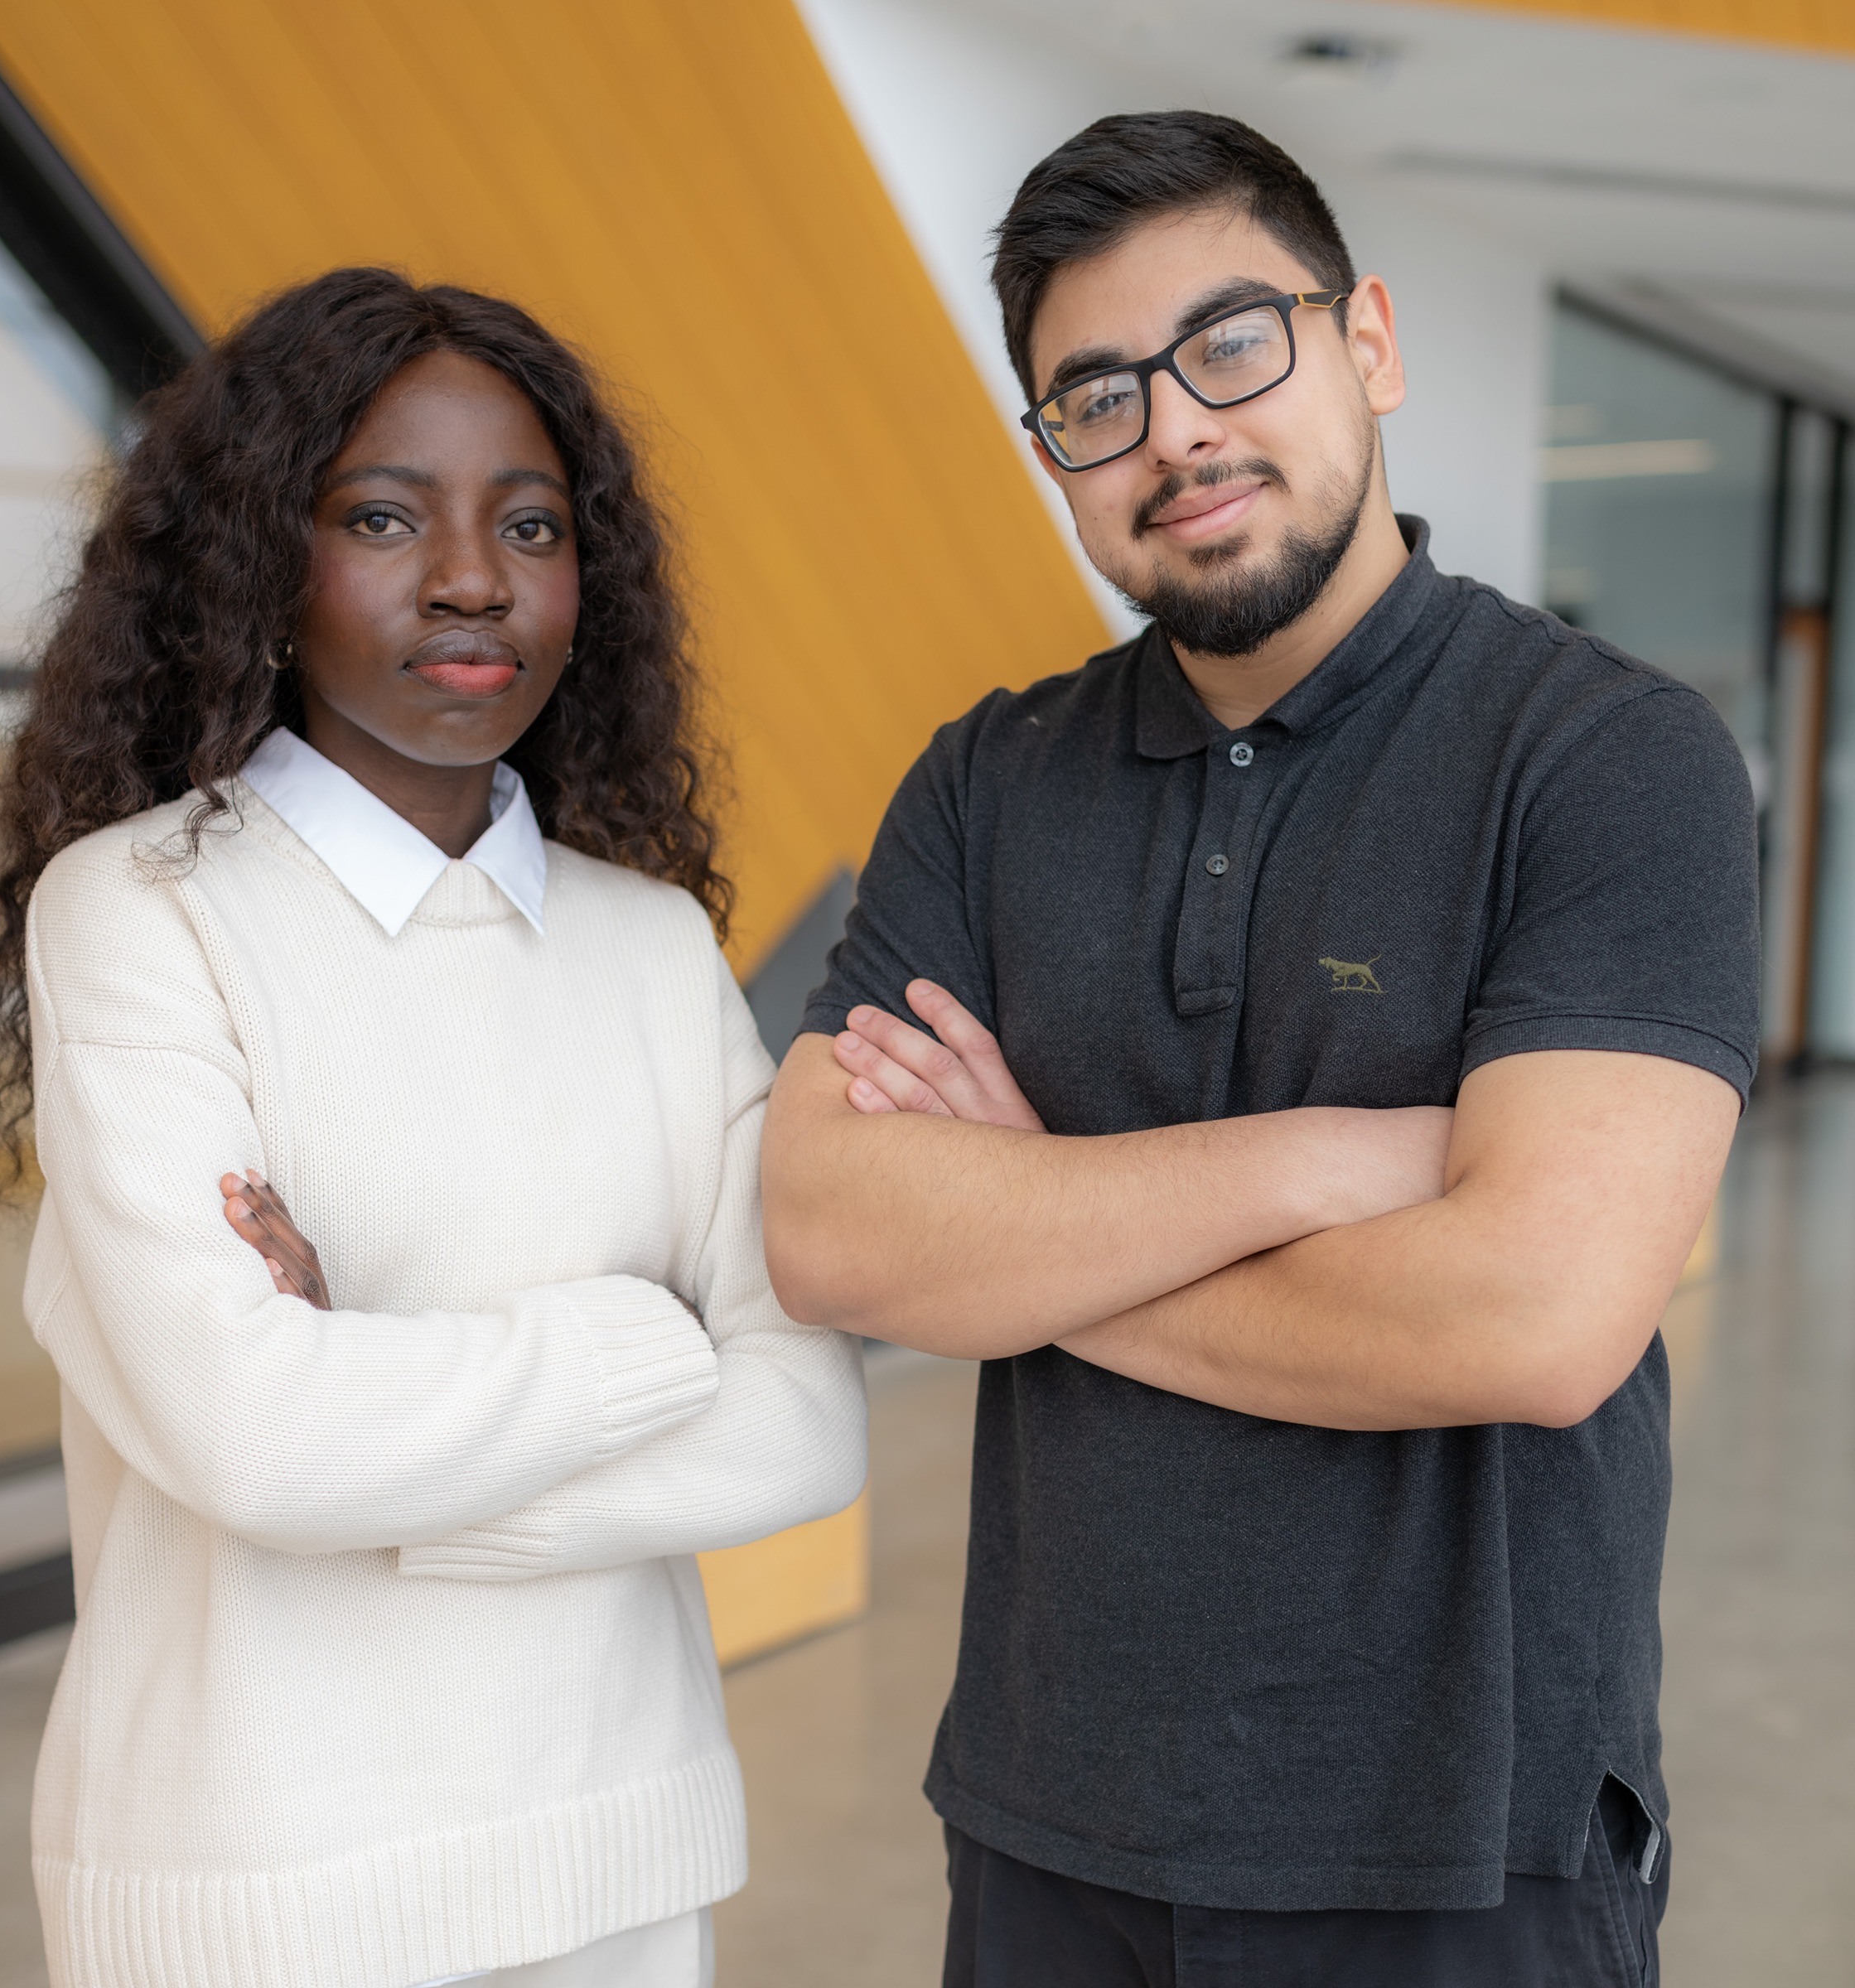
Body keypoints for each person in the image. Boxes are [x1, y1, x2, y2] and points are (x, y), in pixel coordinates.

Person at [761, 111, 1757, 1987]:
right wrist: (1328, 1158)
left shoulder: (1606, 760)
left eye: (1232, 346)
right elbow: (828, 1231)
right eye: (1096, 400)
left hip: (1471, 1848)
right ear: (1052, 457)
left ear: (1363, 341)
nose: (1176, 435)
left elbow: (1536, 1321)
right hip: (1050, 1830)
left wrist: (1027, 1237)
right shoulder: (990, 781)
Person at [0, 268, 867, 1988]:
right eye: (382, 515)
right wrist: (642, 1339)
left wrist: (382, 1434)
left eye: (530, 526)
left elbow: (805, 1431)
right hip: (253, 1889)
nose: (471, 578)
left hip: (619, 1847)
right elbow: (253, 1439)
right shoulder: (141, 912)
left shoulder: (654, 946)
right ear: (256, 559)